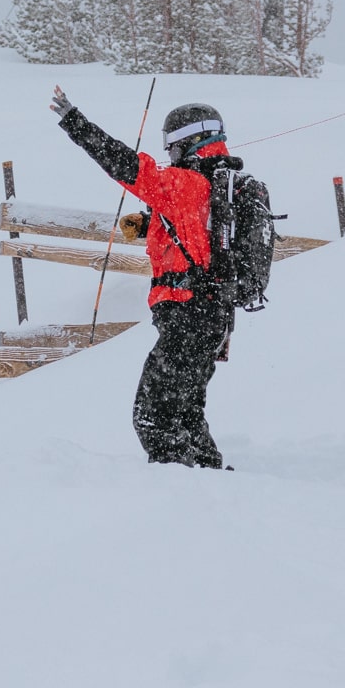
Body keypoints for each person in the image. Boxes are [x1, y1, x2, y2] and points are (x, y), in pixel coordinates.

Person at [48, 87, 239, 469]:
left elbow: (125, 164)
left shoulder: (181, 185)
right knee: (184, 411)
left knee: (153, 416)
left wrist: (75, 123)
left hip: (188, 316)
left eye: (172, 148)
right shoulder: (214, 186)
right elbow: (198, 232)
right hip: (213, 316)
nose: (169, 156)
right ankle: (210, 478)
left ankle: (179, 491)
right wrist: (152, 223)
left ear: (191, 142)